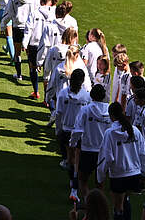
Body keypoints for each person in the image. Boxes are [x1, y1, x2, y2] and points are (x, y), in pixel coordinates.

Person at [97, 102, 145, 219]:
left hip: (118, 175)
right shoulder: (135, 130)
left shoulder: (110, 133)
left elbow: (107, 158)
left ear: (111, 116)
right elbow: (143, 154)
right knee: (125, 200)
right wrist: (144, 173)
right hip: (134, 174)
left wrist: (100, 176)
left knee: (118, 207)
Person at [71, 84, 112, 203]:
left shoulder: (86, 110)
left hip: (88, 150)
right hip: (103, 152)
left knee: (82, 180)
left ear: (91, 95)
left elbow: (77, 130)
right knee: (100, 183)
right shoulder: (109, 111)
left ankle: (88, 202)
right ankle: (98, 206)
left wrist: (72, 143)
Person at [55, 68, 90, 201]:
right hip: (79, 131)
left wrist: (57, 130)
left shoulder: (64, 94)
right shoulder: (86, 96)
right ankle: (75, 183)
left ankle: (73, 184)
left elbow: (59, 114)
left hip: (68, 130)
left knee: (71, 159)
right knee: (76, 159)